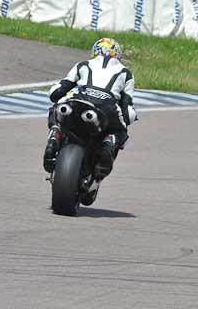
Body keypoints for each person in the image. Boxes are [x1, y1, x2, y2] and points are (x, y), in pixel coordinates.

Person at [43, 38, 137, 201]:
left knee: (58, 108)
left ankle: (56, 133)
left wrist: (55, 92)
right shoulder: (126, 73)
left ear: (95, 52)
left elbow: (58, 91)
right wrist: (131, 116)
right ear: (118, 55)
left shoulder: (83, 64)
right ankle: (109, 142)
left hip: (79, 101)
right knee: (121, 132)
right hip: (107, 108)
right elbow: (127, 107)